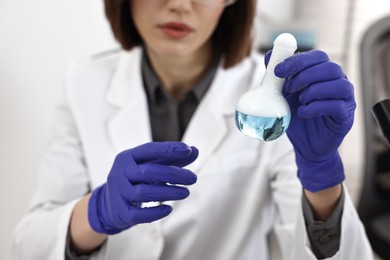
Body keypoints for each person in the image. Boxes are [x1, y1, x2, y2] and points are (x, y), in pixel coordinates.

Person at [12, 0, 373, 259]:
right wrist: (94, 214)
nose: (180, 5)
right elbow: (27, 246)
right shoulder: (84, 82)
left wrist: (321, 176)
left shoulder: (277, 102)